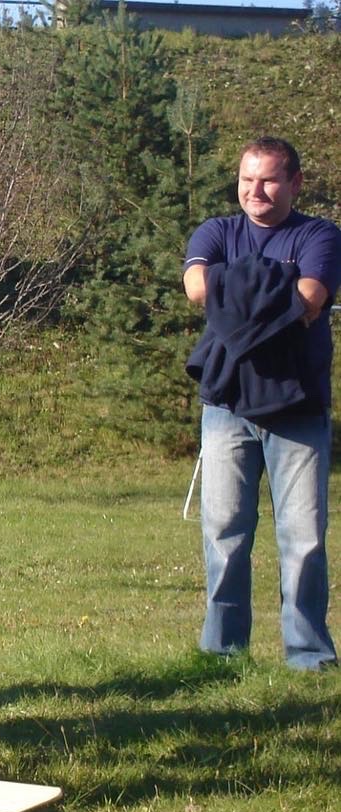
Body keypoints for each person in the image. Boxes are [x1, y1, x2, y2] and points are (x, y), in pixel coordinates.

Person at [183, 136, 339, 671]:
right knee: (224, 533)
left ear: (295, 182)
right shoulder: (217, 231)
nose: (257, 191)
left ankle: (309, 656)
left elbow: (311, 298)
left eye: (270, 180)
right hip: (228, 406)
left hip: (298, 409)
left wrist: (235, 289)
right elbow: (198, 287)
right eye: (248, 180)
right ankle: (223, 655)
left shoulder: (319, 234)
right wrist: (274, 288)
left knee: (303, 539)